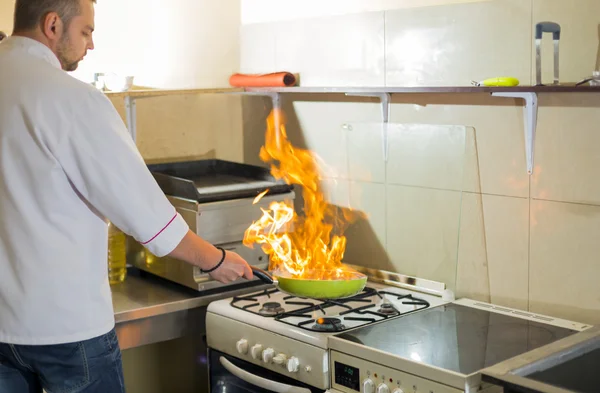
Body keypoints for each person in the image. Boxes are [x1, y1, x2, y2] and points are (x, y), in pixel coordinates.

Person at [0, 0, 254, 391]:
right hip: (68, 329)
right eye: (86, 31)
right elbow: (146, 215)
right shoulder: (73, 99)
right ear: (52, 25)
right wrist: (215, 259)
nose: (92, 45)